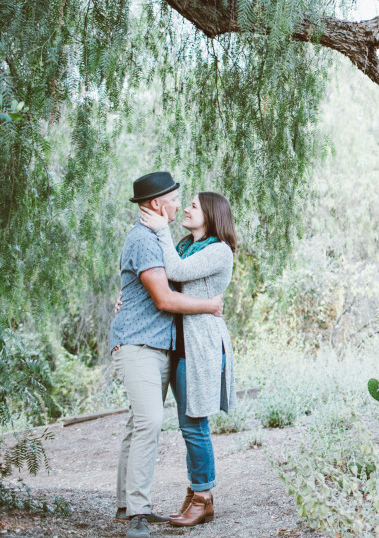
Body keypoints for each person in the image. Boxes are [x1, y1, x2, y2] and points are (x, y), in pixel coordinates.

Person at [111, 171, 224, 538]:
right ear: (158, 203)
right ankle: (138, 514)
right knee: (149, 422)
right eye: (176, 198)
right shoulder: (146, 239)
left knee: (140, 424)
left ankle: (128, 506)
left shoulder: (172, 242)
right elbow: (163, 297)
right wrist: (209, 305)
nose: (180, 204)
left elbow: (168, 278)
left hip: (163, 347)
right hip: (141, 345)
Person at [138, 191, 237, 528]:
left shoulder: (218, 252)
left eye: (194, 205)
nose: (187, 208)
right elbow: (162, 279)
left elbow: (176, 270)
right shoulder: (183, 245)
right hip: (181, 346)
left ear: (210, 215)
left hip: (202, 347)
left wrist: (160, 229)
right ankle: (197, 491)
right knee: (189, 424)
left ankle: (203, 498)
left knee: (194, 424)